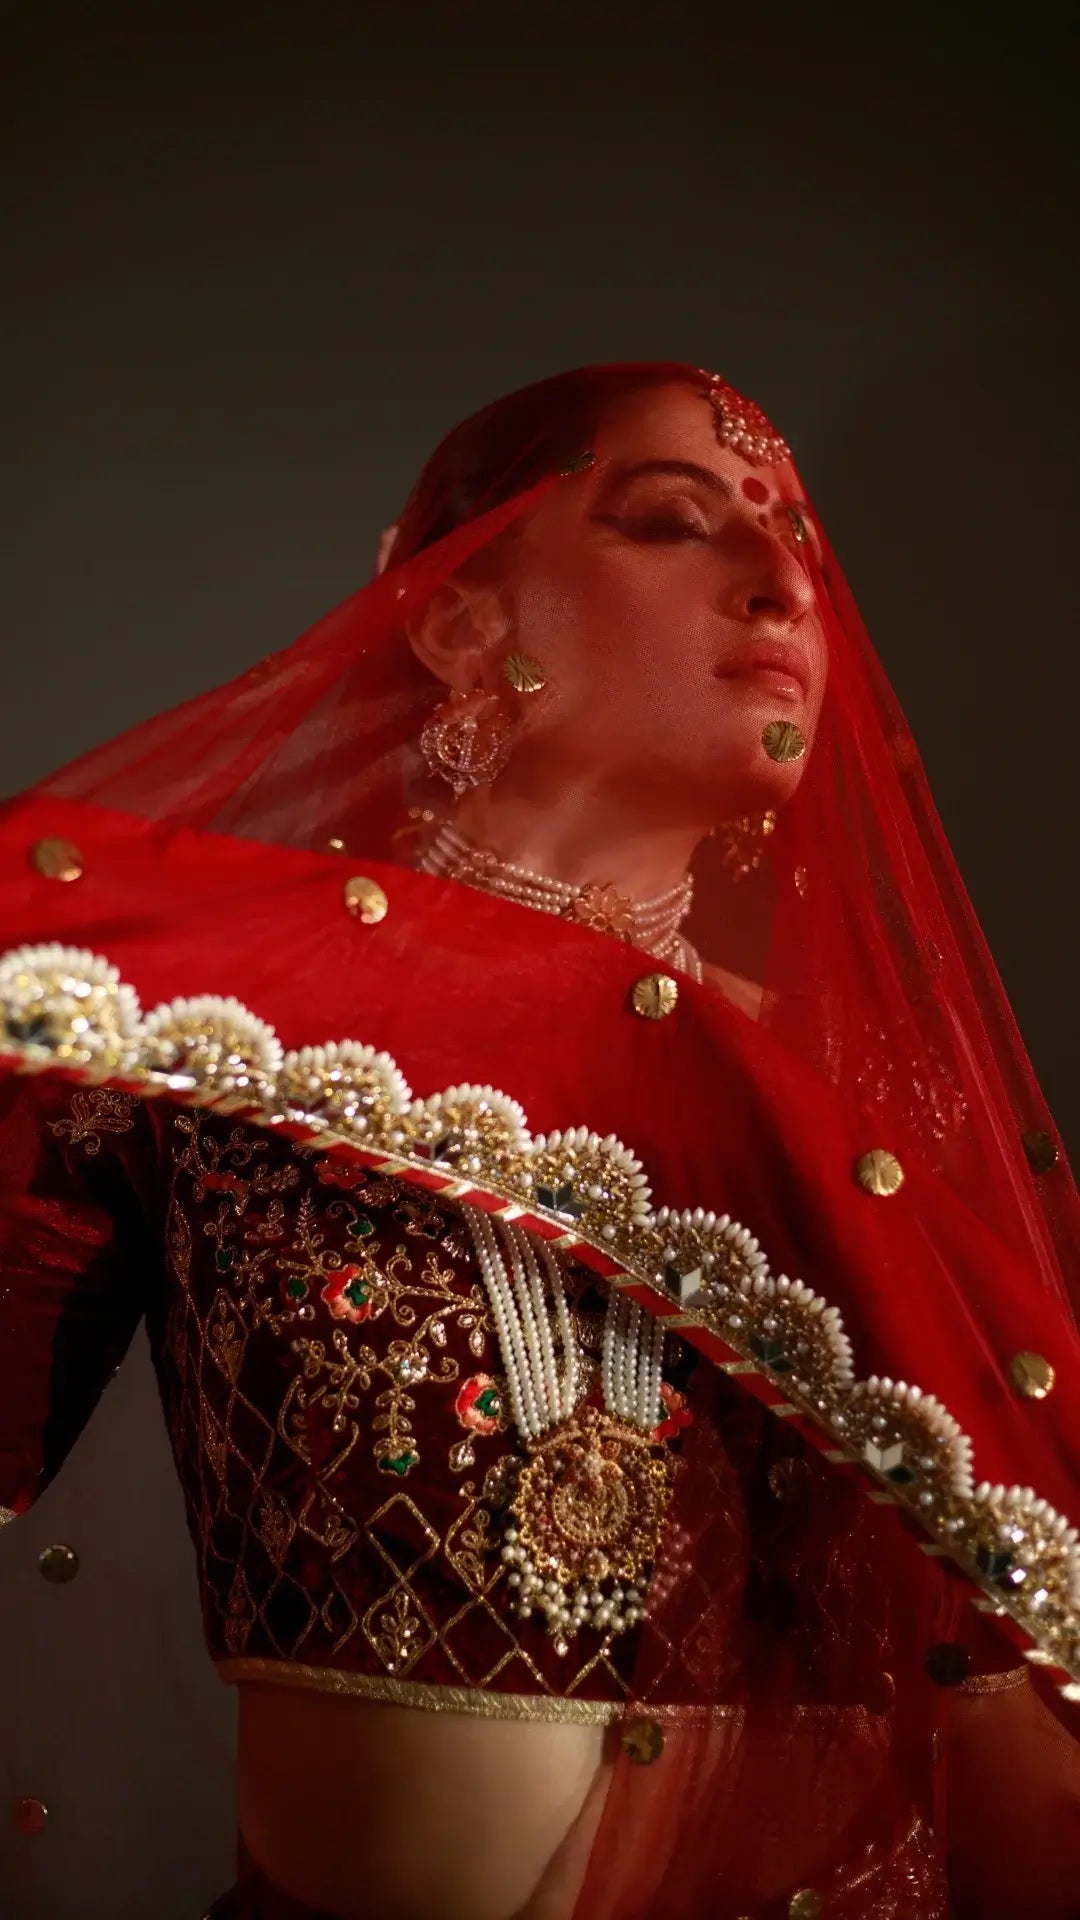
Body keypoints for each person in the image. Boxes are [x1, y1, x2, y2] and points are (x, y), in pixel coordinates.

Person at [0, 362, 1078, 1920]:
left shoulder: (853, 1120)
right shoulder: (209, 1027)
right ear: (454, 621)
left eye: (811, 566)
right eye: (668, 524)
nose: (781, 585)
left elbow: (1004, 1718)